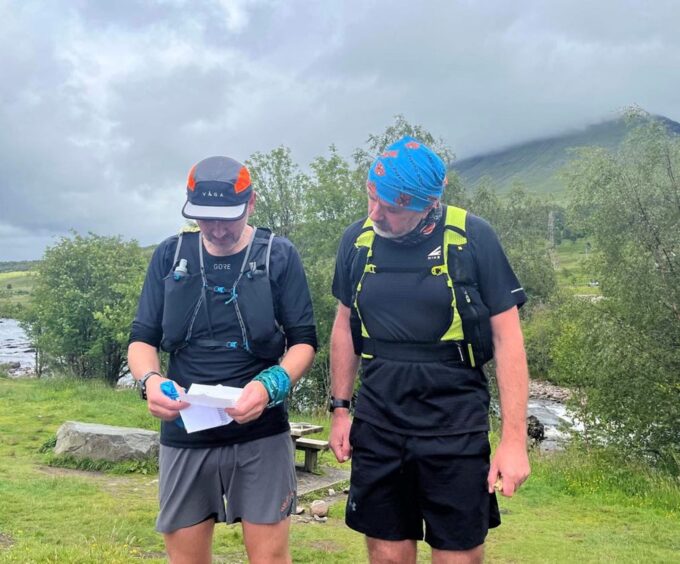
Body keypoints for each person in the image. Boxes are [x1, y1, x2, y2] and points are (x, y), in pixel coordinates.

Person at [329, 136, 530, 563]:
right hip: (378, 421)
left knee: (458, 555)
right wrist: (341, 409)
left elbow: (508, 340)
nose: (375, 213)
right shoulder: (356, 241)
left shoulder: (472, 237)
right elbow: (344, 326)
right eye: (371, 197)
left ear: (428, 204)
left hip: (454, 423)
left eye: (392, 208)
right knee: (385, 552)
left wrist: (514, 440)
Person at [128, 155, 316, 564]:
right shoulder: (170, 255)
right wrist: (151, 383)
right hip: (185, 433)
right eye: (203, 218)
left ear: (251, 203)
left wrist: (271, 386)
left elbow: (304, 342)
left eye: (226, 218)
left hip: (261, 433)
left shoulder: (278, 256)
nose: (215, 229)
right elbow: (142, 340)